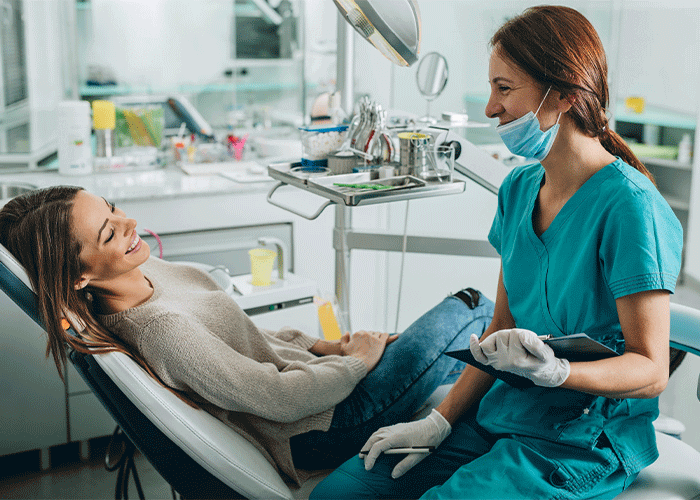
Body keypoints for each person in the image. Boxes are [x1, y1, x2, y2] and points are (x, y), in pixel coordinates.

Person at [310, 5, 683, 500]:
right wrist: (437, 424)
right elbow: (498, 330)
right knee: (338, 495)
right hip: (502, 413)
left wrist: (558, 372)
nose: (490, 108)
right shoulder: (520, 188)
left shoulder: (630, 209)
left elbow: (651, 369)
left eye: (504, 89)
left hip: (577, 440)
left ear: (566, 95)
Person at [0, 185, 494, 487]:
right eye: (109, 233)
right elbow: (274, 398)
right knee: (471, 307)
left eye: (113, 208)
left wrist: (326, 346)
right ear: (78, 277)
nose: (130, 225)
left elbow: (247, 334)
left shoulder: (148, 275)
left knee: (450, 347)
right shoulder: (160, 329)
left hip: (320, 384)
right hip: (322, 426)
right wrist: (357, 364)